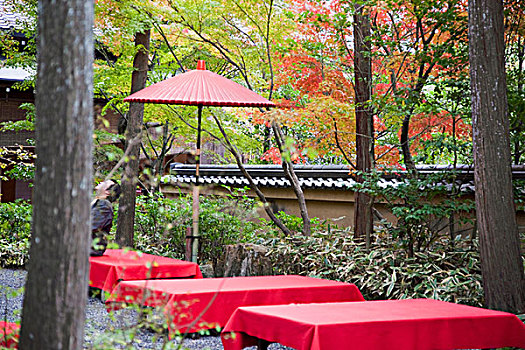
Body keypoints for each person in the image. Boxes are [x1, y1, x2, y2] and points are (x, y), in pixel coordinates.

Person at [91, 179, 121, 256]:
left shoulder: (104, 205)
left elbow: (91, 226)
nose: (101, 182)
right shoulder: (96, 202)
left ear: (108, 192)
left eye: (104, 183)